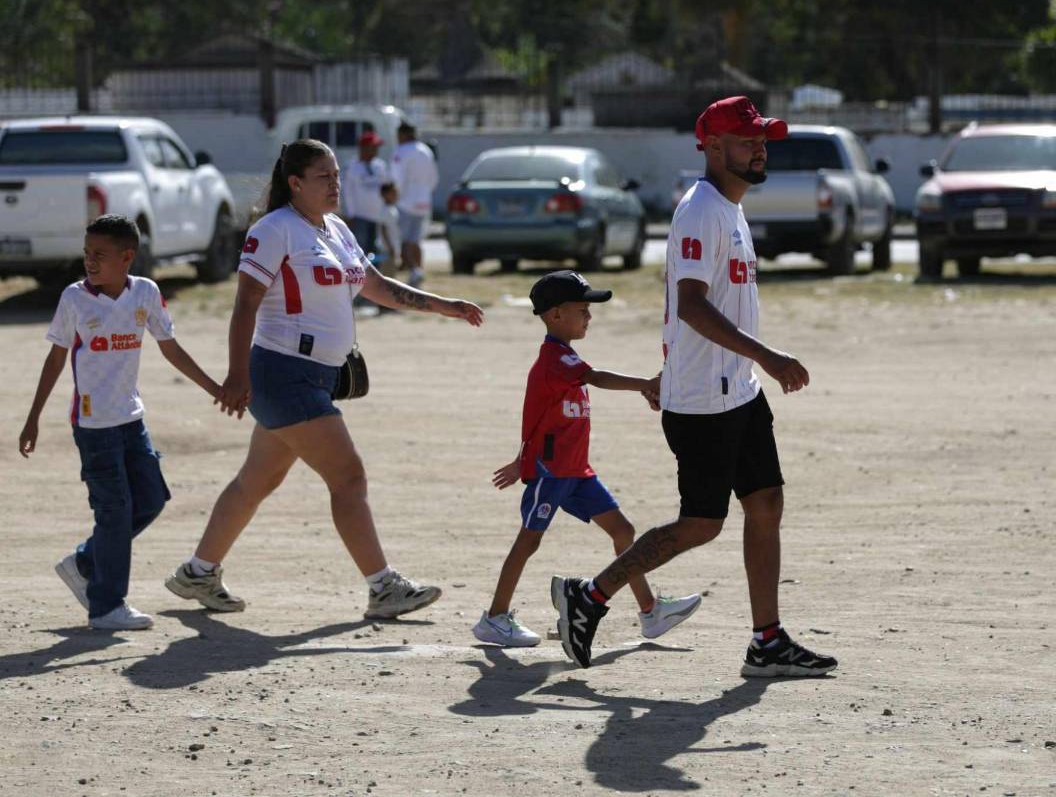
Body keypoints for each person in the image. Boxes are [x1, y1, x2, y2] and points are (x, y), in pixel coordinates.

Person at [549, 97, 838, 678]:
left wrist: (757, 367)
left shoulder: (731, 209)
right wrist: (771, 356)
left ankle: (767, 640)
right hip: (704, 400)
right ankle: (590, 595)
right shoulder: (701, 211)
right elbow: (691, 307)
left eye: (761, 139)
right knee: (702, 523)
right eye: (745, 139)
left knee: (766, 503)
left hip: (739, 390)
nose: (759, 147)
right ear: (710, 147)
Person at [164, 139, 485, 619]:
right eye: (323, 176)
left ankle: (197, 572)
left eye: (336, 174)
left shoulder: (334, 228)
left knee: (256, 481)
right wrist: (237, 373)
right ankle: (383, 587)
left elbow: (375, 285)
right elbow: (245, 303)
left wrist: (442, 305)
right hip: (282, 374)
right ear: (294, 183)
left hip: (313, 377)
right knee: (348, 476)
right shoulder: (274, 230)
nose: (335, 184)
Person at [473, 271, 702, 647]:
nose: (589, 316)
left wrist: (519, 459)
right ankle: (494, 618)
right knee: (528, 542)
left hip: (576, 471)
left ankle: (650, 612)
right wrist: (645, 384)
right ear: (555, 314)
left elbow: (538, 415)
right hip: (551, 473)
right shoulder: (554, 359)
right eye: (583, 309)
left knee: (623, 532)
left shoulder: (565, 355)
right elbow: (595, 378)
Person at [19, 215, 223, 631]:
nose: (90, 262)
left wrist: (214, 387)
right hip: (93, 426)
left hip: (132, 419)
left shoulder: (145, 293)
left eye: (100, 255)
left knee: (149, 500)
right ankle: (106, 607)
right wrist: (33, 417)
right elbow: (55, 358)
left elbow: (171, 349)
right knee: (114, 511)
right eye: (86, 254)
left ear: (127, 257)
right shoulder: (75, 299)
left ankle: (84, 562)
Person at [389, 120, 438, 287]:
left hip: (405, 202)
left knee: (405, 241)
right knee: (416, 240)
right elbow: (433, 178)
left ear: (403, 134)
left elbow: (397, 179)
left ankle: (414, 271)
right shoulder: (425, 151)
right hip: (424, 201)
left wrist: (394, 196)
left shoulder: (401, 151)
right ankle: (418, 271)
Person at [342, 130, 388, 256]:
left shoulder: (380, 165)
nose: (376, 150)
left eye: (376, 147)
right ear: (363, 148)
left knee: (376, 250)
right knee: (360, 250)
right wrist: (350, 215)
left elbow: (385, 189)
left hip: (377, 215)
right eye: (373, 147)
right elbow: (347, 192)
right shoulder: (351, 167)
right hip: (359, 216)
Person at [377, 182, 401, 279]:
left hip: (393, 246)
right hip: (386, 248)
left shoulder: (393, 209)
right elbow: (383, 229)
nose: (395, 195)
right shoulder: (384, 210)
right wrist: (389, 246)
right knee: (388, 274)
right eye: (393, 193)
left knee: (393, 272)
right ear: (385, 195)